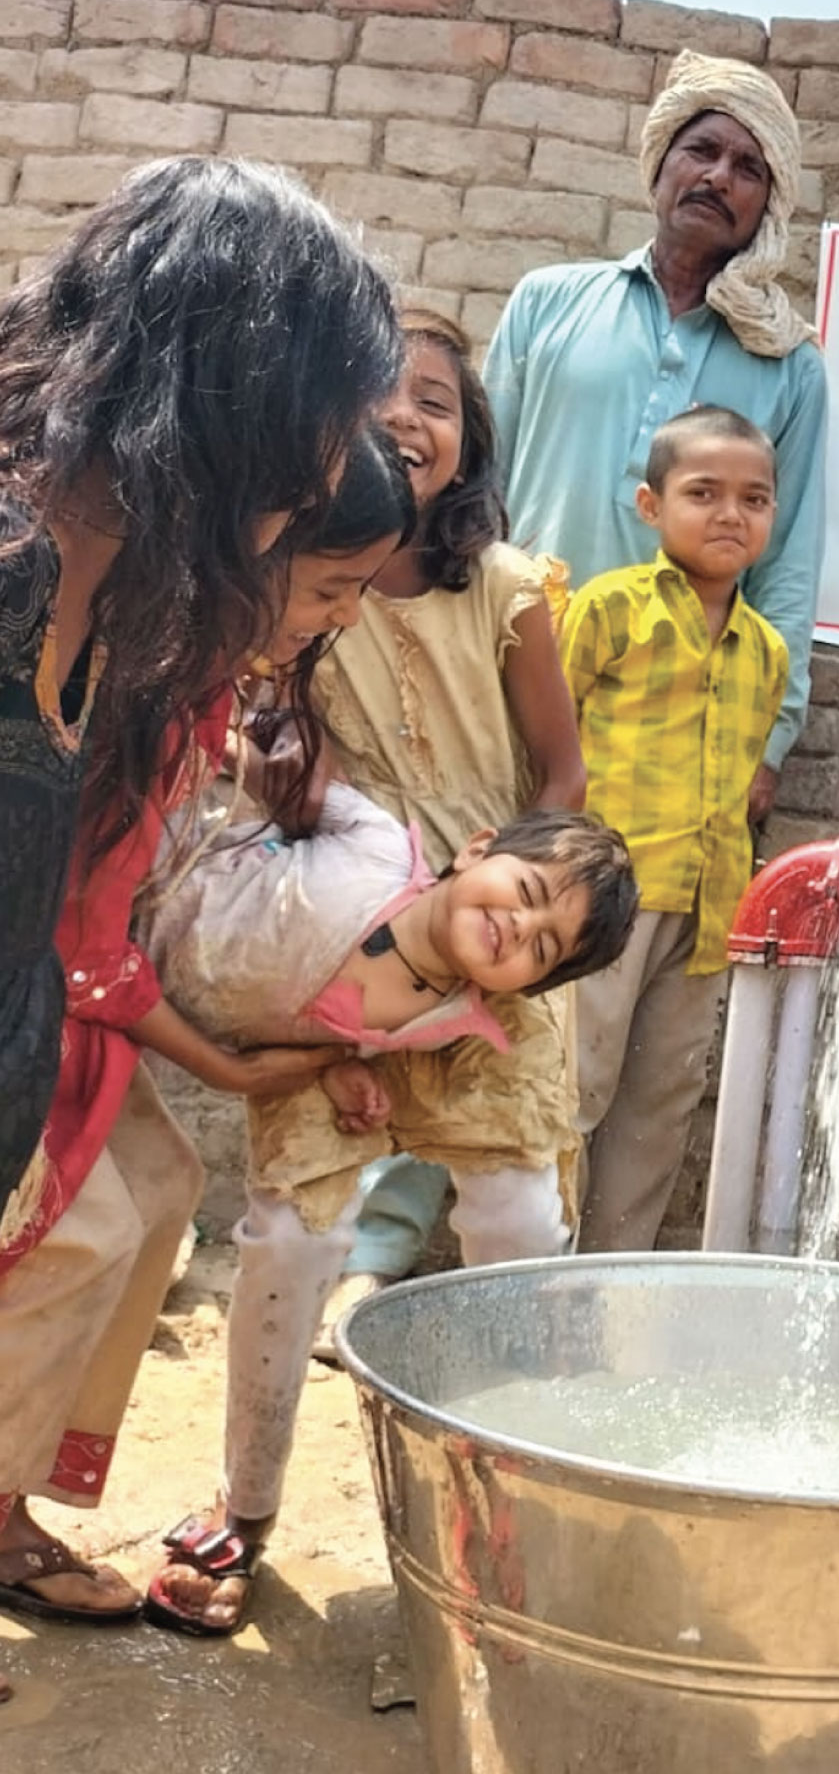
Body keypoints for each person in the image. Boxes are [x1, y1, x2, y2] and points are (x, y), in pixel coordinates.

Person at [0, 432, 414, 1646]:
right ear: (256, 542)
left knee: (170, 1183)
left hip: (85, 989)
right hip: (49, 995)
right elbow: (75, 924)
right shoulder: (120, 659)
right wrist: (225, 1061)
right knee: (84, 1227)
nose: (331, 618)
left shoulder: (206, 680)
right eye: (327, 585)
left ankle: (19, 1489)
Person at [0, 155, 400, 1220]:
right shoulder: (13, 580)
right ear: (233, 418)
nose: (323, 485)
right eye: (321, 437)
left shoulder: (100, 637)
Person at [140, 791, 635, 1637]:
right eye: (525, 892)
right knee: (277, 1238)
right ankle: (246, 1508)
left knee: (374, 1240)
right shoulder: (368, 843)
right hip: (127, 923)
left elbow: (354, 1019)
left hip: (232, 1019)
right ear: (476, 848)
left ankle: (508, 1518)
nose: (520, 925)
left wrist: (338, 1066)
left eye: (543, 943)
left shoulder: (461, 1021)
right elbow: (273, 778)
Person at [311, 309, 588, 1346]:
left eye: (432, 401)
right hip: (358, 922)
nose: (402, 417)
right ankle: (257, 1468)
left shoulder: (509, 587)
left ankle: (504, 1382)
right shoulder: (302, 584)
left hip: (496, 916)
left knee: (514, 1202)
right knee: (316, 1179)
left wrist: (508, 899)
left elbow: (562, 775)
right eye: (375, 395)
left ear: (469, 439)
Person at [484, 50, 826, 825]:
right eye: (701, 150)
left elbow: (790, 561)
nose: (718, 178)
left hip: (677, 709)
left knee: (624, 928)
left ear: (767, 203)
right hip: (513, 669)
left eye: (748, 167)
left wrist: (767, 744)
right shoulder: (547, 302)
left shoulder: (790, 364)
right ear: (662, 160)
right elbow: (478, 491)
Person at [561, 405, 787, 1251]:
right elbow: (547, 741)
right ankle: (530, 1278)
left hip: (705, 913)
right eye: (704, 492)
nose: (731, 514)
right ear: (651, 506)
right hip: (602, 900)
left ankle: (609, 1293)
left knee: (658, 1106)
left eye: (754, 498)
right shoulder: (609, 609)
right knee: (572, 1089)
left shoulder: (765, 650)